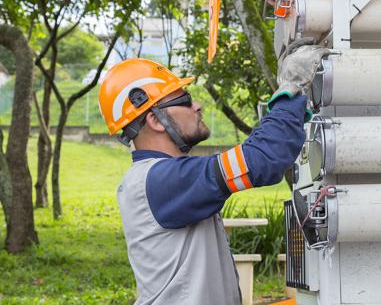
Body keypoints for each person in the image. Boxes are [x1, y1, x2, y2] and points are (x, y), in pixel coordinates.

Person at [97, 43, 329, 305]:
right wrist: (292, 86)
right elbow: (264, 157)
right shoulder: (161, 181)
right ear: (154, 120)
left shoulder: (160, 177)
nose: (196, 105)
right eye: (183, 99)